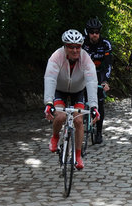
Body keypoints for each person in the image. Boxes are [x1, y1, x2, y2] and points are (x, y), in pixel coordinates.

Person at [44, 29, 99, 170]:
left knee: (79, 120)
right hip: (60, 90)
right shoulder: (56, 56)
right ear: (65, 46)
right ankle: (55, 137)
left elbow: (92, 82)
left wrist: (94, 106)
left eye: (78, 47)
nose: (75, 50)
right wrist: (49, 103)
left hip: (77, 91)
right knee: (61, 116)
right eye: (71, 46)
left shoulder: (85, 58)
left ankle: (78, 156)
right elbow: (50, 78)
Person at [82, 17, 112, 144]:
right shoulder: (82, 43)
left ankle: (99, 132)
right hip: (85, 72)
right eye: (92, 32)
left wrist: (105, 81)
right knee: (82, 97)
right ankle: (83, 114)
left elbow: (108, 64)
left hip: (100, 73)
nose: (94, 35)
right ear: (88, 33)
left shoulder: (105, 44)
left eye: (97, 32)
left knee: (100, 103)